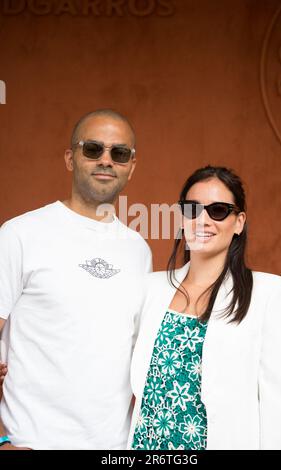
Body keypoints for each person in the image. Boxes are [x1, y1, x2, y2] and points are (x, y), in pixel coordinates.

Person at [0, 109, 152, 450]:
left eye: (120, 153)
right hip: (32, 443)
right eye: (93, 149)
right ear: (71, 158)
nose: (106, 161)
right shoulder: (19, 235)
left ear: (131, 166)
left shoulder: (138, 251)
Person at [127, 165, 281, 450]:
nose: (202, 220)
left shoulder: (268, 293)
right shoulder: (150, 288)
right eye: (192, 209)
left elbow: (277, 403)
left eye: (218, 210)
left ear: (239, 222)